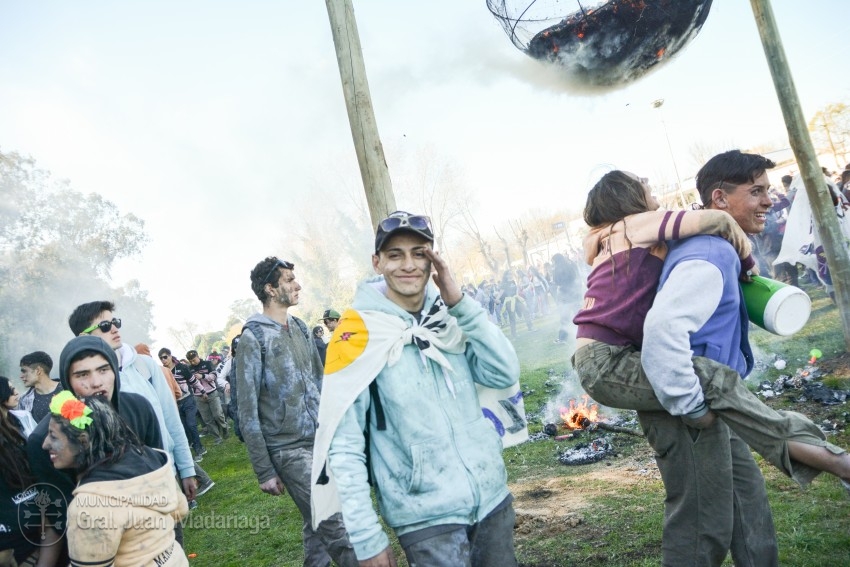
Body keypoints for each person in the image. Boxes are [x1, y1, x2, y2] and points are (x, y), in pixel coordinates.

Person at [573, 167, 850, 492]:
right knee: (714, 380)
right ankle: (829, 459)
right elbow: (718, 221)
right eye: (641, 182)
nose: (648, 182)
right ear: (627, 197)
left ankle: (819, 455)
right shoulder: (634, 224)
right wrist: (748, 264)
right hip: (609, 361)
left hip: (599, 358)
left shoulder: (609, 237)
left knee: (712, 384)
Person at [640, 151, 850, 565]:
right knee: (702, 530)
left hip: (717, 405)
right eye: (756, 192)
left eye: (768, 191)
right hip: (692, 411)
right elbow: (661, 331)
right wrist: (692, 407)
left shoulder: (719, 247)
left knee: (749, 508)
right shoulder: (709, 253)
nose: (768, 201)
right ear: (719, 199)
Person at [311, 211, 522, 566]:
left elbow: (503, 373)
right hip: (425, 516)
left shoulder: (448, 318)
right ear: (377, 263)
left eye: (418, 253)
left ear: (433, 260)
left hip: (491, 497)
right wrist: (366, 537)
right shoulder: (357, 335)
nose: (408, 264)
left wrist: (460, 304)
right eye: (395, 255)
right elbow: (344, 445)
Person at [235, 257, 357, 567]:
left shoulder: (301, 327)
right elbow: (246, 409)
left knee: (315, 523)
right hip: (287, 448)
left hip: (319, 438)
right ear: (271, 289)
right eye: (289, 280)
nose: (297, 284)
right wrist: (264, 469)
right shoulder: (254, 338)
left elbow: (320, 382)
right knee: (335, 522)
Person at [25, 335, 164, 566]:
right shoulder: (45, 440)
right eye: (82, 375)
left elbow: (158, 473)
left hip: (157, 533)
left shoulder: (138, 407)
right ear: (67, 382)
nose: (97, 382)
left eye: (103, 369)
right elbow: (65, 515)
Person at [43, 392, 189, 566]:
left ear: (83, 442)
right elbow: (180, 510)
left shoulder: (89, 507)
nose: (45, 444)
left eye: (53, 436)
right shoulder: (152, 458)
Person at [1, 376, 40, 566]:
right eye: (9, 389)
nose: (16, 392)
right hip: (8, 525)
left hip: (30, 511)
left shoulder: (21, 418)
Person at [159, 348, 206, 460]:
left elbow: (193, 381)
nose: (163, 360)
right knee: (184, 428)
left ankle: (199, 449)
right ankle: (194, 445)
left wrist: (203, 391)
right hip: (175, 404)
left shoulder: (182, 367)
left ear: (170, 356)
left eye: (165, 357)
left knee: (191, 424)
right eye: (161, 358)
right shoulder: (162, 372)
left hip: (188, 399)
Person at [186, 349, 229, 445]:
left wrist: (202, 376)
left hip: (212, 393)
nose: (193, 362)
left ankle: (224, 427)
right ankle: (217, 437)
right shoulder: (189, 369)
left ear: (197, 356)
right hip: (198, 396)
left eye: (194, 359)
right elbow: (189, 382)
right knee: (207, 419)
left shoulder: (207, 364)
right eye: (191, 360)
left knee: (218, 414)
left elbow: (213, 377)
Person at [18, 351, 62, 423]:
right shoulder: (24, 400)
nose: (21, 376)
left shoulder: (68, 390)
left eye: (24, 371)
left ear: (38, 371)